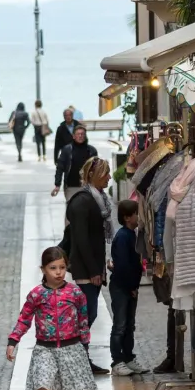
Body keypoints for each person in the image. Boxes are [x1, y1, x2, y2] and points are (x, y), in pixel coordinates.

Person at [7, 247, 100, 390]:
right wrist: (13, 340)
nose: (58, 272)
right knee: (43, 383)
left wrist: (85, 344)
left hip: (71, 346)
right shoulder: (37, 295)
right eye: (53, 268)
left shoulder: (75, 292)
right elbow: (24, 318)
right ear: (43, 270)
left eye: (62, 267)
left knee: (69, 388)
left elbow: (83, 319)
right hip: (44, 348)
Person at [61, 156, 114, 375]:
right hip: (85, 269)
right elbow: (81, 239)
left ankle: (80, 358)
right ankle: (77, 358)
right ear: (93, 175)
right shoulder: (83, 201)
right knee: (86, 314)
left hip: (93, 266)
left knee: (87, 314)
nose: (110, 177)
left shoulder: (97, 199)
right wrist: (94, 270)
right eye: (106, 173)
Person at [108, 199, 147, 376]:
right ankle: (117, 360)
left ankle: (129, 357)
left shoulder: (131, 234)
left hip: (129, 287)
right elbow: (123, 265)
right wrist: (131, 286)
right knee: (120, 325)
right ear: (127, 217)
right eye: (136, 214)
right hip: (121, 287)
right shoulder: (123, 236)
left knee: (129, 324)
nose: (138, 217)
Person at [52, 125, 97, 200]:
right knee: (72, 209)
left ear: (85, 136)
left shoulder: (92, 151)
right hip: (71, 186)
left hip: (87, 186)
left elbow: (96, 169)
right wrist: (57, 185)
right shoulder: (67, 150)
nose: (80, 136)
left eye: (82, 134)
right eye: (78, 134)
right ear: (73, 136)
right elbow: (60, 167)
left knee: (85, 209)